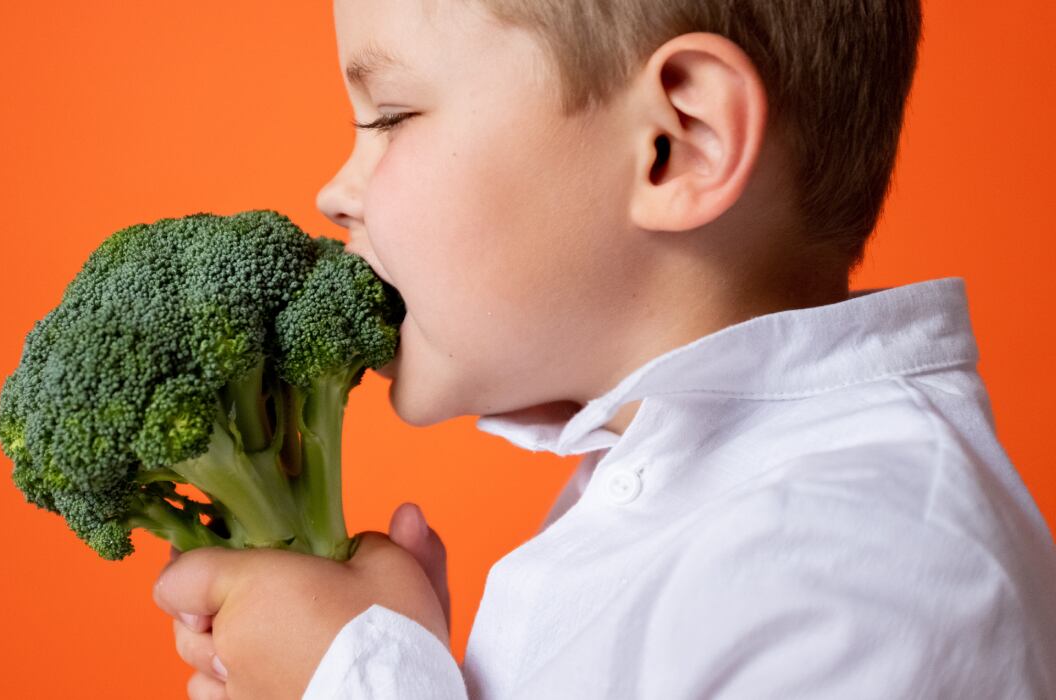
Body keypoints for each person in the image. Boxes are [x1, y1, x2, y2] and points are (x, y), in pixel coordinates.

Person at [150, 0, 1056, 697]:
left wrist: (355, 677)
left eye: (390, 115)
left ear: (675, 143)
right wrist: (409, 656)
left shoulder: (871, 574)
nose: (333, 193)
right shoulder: (683, 494)